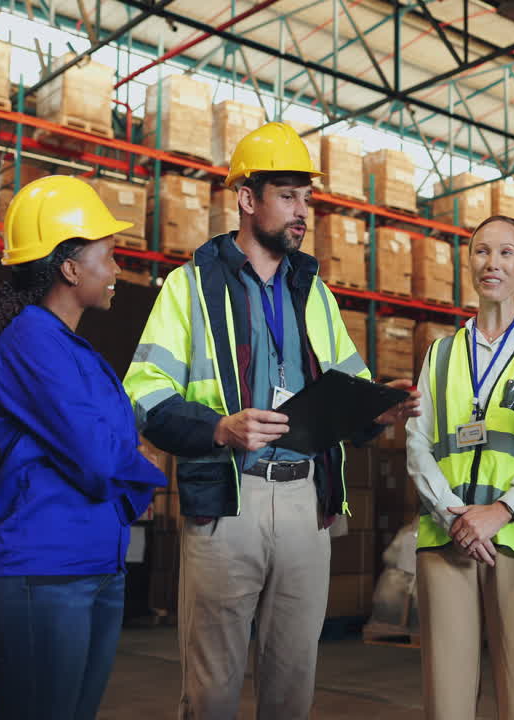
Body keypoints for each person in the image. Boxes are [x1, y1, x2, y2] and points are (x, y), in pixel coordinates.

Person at [122, 122, 421, 720]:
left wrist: (377, 410)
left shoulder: (316, 293)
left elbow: (345, 394)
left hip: (305, 505)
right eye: (287, 195)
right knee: (212, 687)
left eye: (306, 197)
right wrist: (218, 427)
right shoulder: (190, 287)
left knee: (293, 683)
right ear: (245, 198)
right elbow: (143, 394)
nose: (301, 210)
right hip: (227, 503)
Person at [0, 176, 169, 720]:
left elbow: (109, 450)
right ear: (70, 268)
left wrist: (129, 465)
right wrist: (138, 468)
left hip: (95, 565)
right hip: (44, 575)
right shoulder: (30, 340)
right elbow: (102, 456)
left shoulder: (75, 351)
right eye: (109, 256)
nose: (117, 270)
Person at [406, 215, 514, 720]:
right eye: (482, 251)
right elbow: (418, 444)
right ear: (469, 262)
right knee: (446, 700)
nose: (493, 263)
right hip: (447, 540)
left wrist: (503, 510)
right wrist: (453, 515)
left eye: (506, 253)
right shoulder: (440, 353)